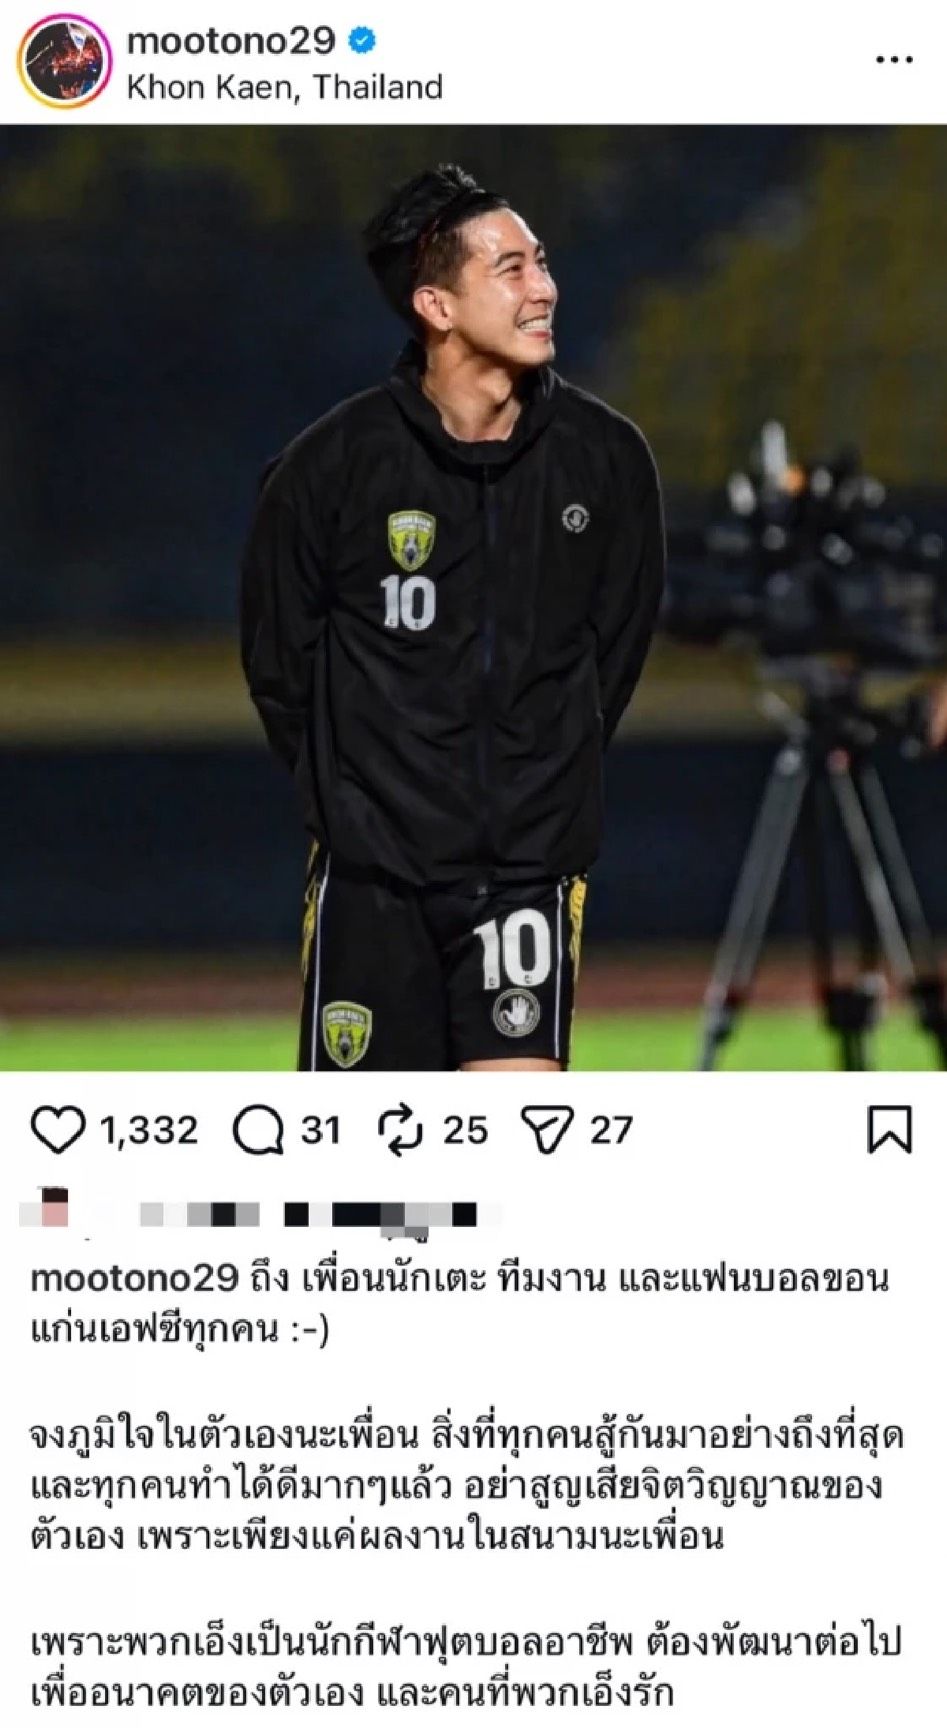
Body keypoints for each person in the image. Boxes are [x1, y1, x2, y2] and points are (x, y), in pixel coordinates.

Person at [240, 164, 665, 1072]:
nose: (544, 288)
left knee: (516, 1144)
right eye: (511, 269)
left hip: (526, 876)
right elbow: (279, 666)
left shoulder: (607, 460)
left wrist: (538, 779)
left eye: (541, 262)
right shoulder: (328, 467)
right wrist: (360, 804)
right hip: (372, 882)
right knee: (369, 1158)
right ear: (435, 305)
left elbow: (616, 653)